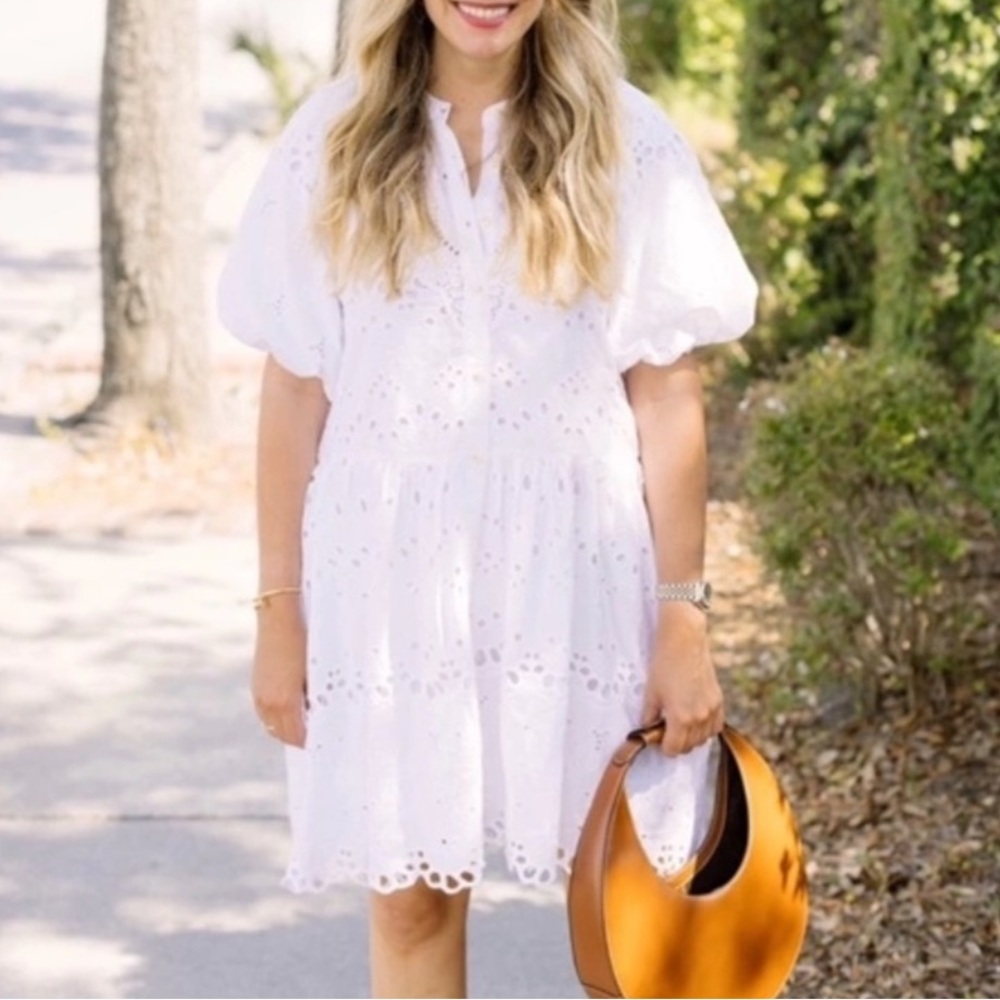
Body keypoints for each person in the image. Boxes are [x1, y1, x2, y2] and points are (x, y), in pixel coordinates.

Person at [218, 1, 757, 996]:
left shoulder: (628, 139)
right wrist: (277, 611)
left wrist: (683, 615)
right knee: (414, 896)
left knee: (630, 906)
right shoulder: (329, 141)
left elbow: (665, 388)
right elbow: (294, 391)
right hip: (385, 582)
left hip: (580, 576)